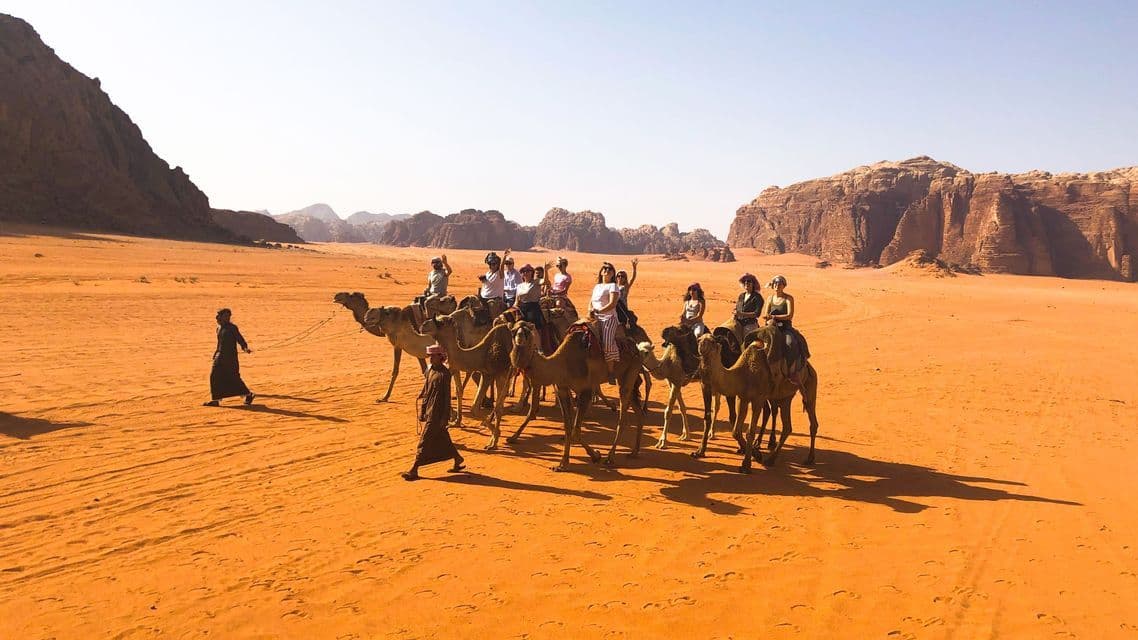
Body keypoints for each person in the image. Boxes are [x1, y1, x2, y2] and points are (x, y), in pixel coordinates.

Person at [402, 344, 466, 481]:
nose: (430, 358)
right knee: (443, 438)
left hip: (437, 413)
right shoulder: (430, 370)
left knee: (424, 441)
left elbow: (446, 397)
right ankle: (457, 458)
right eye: (430, 356)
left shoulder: (444, 374)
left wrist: (445, 417)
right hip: (430, 409)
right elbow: (427, 388)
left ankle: (414, 469)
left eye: (433, 356)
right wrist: (422, 401)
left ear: (440, 357)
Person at [761, 275, 810, 383]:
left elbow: (789, 315)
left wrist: (774, 317)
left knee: (790, 343)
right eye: (775, 284)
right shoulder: (770, 298)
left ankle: (793, 372)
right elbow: (765, 314)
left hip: (785, 328)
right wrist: (769, 319)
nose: (777, 286)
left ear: (784, 286)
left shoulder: (788, 298)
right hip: (771, 327)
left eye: (779, 284)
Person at [203, 308, 254, 407]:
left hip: (230, 358)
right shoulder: (218, 328)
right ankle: (215, 400)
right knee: (214, 377)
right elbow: (220, 343)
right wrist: (216, 353)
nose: (227, 318)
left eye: (228, 316)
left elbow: (240, 339)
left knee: (234, 377)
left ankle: (248, 395)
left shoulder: (232, 328)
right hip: (219, 357)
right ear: (220, 317)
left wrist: (245, 348)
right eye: (225, 316)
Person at [590, 262, 622, 382]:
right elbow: (591, 301)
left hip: (609, 318)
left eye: (610, 269)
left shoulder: (613, 286)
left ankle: (611, 371)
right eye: (604, 268)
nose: (607, 270)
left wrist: (599, 310)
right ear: (601, 271)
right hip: (595, 317)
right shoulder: (597, 286)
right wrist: (590, 310)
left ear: (613, 273)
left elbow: (612, 303)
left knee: (607, 344)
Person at [733, 273, 764, 337]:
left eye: (749, 281)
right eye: (745, 281)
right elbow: (737, 307)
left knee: (748, 341)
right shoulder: (741, 296)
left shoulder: (757, 297)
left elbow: (757, 314)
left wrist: (742, 314)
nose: (746, 283)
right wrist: (735, 312)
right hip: (738, 323)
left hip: (750, 325)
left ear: (753, 284)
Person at [514, 264, 544, 329]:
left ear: (532, 272)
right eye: (523, 271)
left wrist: (546, 270)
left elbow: (545, 282)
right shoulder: (519, 286)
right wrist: (514, 309)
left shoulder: (536, 281)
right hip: (521, 308)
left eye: (528, 271)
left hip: (533, 308)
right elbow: (516, 301)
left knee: (533, 324)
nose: (525, 273)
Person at [615, 258, 639, 328]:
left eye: (622, 276)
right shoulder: (613, 286)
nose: (620, 277)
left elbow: (633, 278)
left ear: (625, 278)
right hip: (613, 307)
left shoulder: (625, 287)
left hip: (622, 308)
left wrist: (634, 268)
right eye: (618, 276)